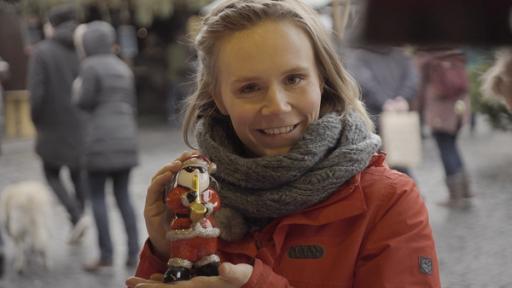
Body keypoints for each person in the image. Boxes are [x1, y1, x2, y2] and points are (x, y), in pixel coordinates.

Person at [127, 0, 440, 287]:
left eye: (294, 79)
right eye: (249, 88)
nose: (277, 106)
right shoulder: (194, 197)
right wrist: (165, 252)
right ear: (218, 97)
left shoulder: (388, 201)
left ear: (322, 80)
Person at [74, 21, 140, 271]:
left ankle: (106, 254)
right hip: (126, 140)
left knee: (98, 197)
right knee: (124, 197)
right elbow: (132, 103)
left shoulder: (89, 67)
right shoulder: (123, 68)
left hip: (99, 142)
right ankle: (134, 252)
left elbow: (83, 101)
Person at [27, 4, 88, 244]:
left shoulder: (41, 52)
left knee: (50, 171)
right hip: (80, 123)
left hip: (51, 123)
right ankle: (80, 216)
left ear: (52, 25)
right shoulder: (83, 49)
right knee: (77, 173)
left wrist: (36, 120)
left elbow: (36, 94)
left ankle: (76, 215)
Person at [343, 45, 420, 175]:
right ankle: (411, 192)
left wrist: (388, 102)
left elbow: (363, 83)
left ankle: (408, 192)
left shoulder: (358, 56)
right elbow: (412, 78)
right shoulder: (399, 53)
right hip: (390, 116)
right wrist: (400, 99)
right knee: (396, 162)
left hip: (375, 119)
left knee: (387, 164)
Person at [416, 48, 473, 207]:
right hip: (458, 110)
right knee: (452, 145)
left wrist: (418, 110)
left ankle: (455, 196)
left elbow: (419, 86)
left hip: (439, 112)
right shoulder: (457, 54)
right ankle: (465, 189)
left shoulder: (427, 58)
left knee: (446, 148)